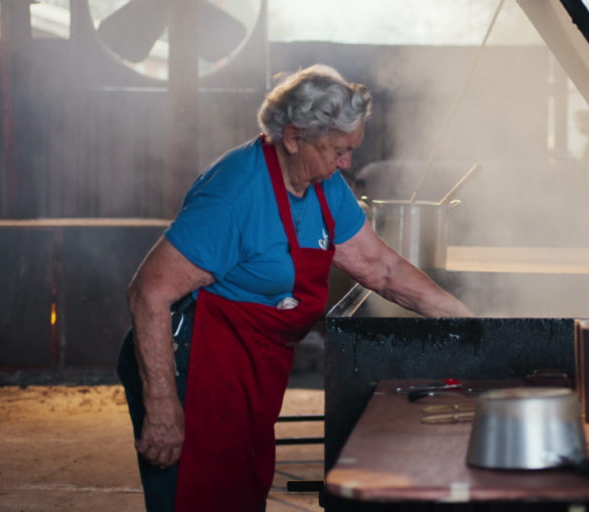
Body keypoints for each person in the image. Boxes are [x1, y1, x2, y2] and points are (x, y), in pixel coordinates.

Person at [117, 64, 471, 511]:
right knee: (198, 494)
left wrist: (467, 321)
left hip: (251, 364)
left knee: (241, 490)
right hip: (194, 361)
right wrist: (163, 410)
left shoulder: (325, 186)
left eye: (351, 150)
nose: (347, 164)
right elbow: (147, 293)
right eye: (337, 150)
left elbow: (380, 268)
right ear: (293, 136)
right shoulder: (236, 195)